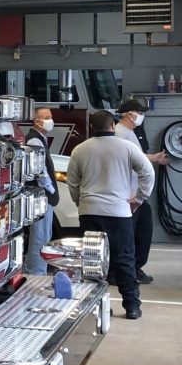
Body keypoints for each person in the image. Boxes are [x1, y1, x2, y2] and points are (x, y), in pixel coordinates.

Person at [65, 109, 154, 319]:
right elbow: (147, 172)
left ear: (92, 127)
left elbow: (72, 182)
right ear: (112, 126)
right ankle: (132, 306)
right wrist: (139, 198)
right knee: (125, 259)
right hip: (119, 213)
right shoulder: (127, 147)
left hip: (90, 213)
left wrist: (80, 202)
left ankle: (97, 306)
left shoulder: (79, 150)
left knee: (93, 260)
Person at [115, 96, 168, 285]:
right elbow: (130, 158)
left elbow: (136, 155)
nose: (141, 117)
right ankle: (129, 269)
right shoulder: (120, 133)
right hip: (128, 194)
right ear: (129, 114)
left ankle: (135, 267)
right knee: (133, 234)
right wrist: (152, 159)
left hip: (136, 192)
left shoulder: (130, 133)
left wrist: (152, 158)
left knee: (142, 231)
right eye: (139, 113)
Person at [22, 107, 59, 275]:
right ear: (37, 121)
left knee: (43, 235)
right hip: (41, 195)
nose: (51, 120)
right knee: (40, 237)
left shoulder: (39, 139)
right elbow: (40, 170)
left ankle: (33, 268)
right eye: (47, 117)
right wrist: (51, 189)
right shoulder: (34, 141)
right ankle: (36, 271)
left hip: (41, 195)